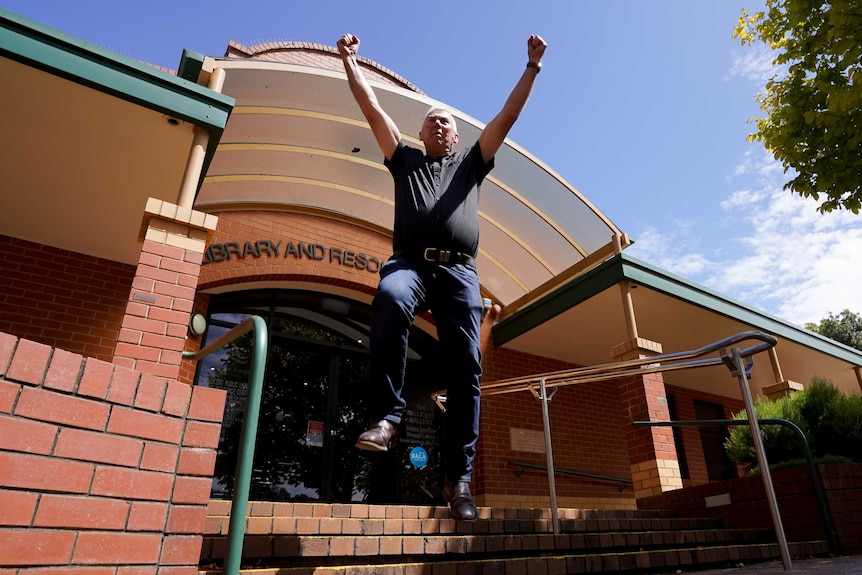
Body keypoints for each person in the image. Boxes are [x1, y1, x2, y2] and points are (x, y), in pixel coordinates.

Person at [337, 32, 546, 521]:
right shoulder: (405, 160)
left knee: (467, 367)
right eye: (430, 121)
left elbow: (507, 117)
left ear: (454, 137)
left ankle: (460, 480)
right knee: (389, 296)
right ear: (422, 133)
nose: (437, 124)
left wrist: (532, 67)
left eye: (445, 121)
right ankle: (386, 420)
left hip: (458, 272)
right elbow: (371, 112)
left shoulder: (472, 164)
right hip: (410, 263)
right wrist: (349, 61)